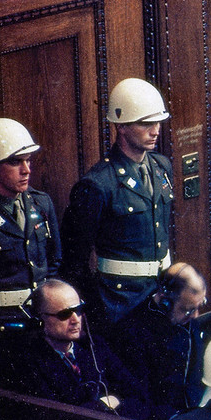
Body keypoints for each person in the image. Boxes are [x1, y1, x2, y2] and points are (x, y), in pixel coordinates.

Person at [61, 78, 173, 324]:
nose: (155, 130)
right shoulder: (98, 184)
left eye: (157, 122)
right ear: (121, 126)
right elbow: (75, 258)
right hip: (119, 302)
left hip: (160, 293)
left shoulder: (161, 167)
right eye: (145, 124)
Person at [12, 279, 147, 419]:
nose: (76, 319)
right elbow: (57, 419)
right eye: (64, 314)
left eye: (78, 310)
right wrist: (104, 404)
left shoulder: (95, 347)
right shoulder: (28, 362)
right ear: (39, 320)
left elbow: (138, 396)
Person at [110, 262, 207, 420]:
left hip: (191, 414)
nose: (196, 316)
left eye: (200, 305)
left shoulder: (187, 320)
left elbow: (196, 374)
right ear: (165, 302)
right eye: (189, 309)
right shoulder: (131, 332)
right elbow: (140, 399)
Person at [0, 118, 59, 331]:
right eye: (16, 162)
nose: (26, 170)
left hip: (39, 319)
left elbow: (54, 260)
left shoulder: (40, 202)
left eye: (28, 160)